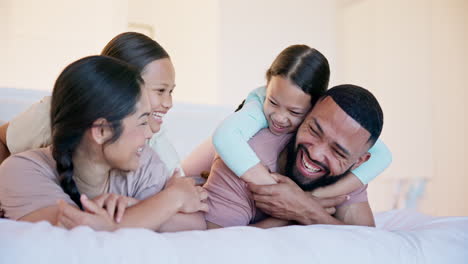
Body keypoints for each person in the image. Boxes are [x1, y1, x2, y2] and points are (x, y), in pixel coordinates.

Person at [0, 56, 208, 231]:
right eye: (143, 122)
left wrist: (133, 209)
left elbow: (196, 223)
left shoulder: (144, 162)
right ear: (101, 131)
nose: (149, 134)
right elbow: (78, 228)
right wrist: (173, 197)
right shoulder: (21, 170)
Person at [187, 45, 392, 201]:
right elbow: (225, 137)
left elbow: (382, 155)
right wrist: (281, 192)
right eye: (273, 102)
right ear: (268, 86)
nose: (279, 117)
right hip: (188, 177)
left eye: (294, 112)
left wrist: (318, 196)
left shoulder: (319, 114)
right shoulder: (257, 106)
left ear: (315, 106)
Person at [0, 32, 183, 178]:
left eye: (171, 92)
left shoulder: (157, 139)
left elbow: (179, 187)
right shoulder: (55, 113)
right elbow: (3, 138)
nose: (169, 103)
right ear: (121, 84)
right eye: (160, 91)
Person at [204, 84, 384, 228]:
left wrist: (306, 211)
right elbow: (219, 247)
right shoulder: (245, 158)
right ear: (306, 115)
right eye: (314, 130)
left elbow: (365, 246)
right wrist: (294, 215)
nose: (315, 154)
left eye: (337, 151)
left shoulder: (347, 176)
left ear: (358, 162)